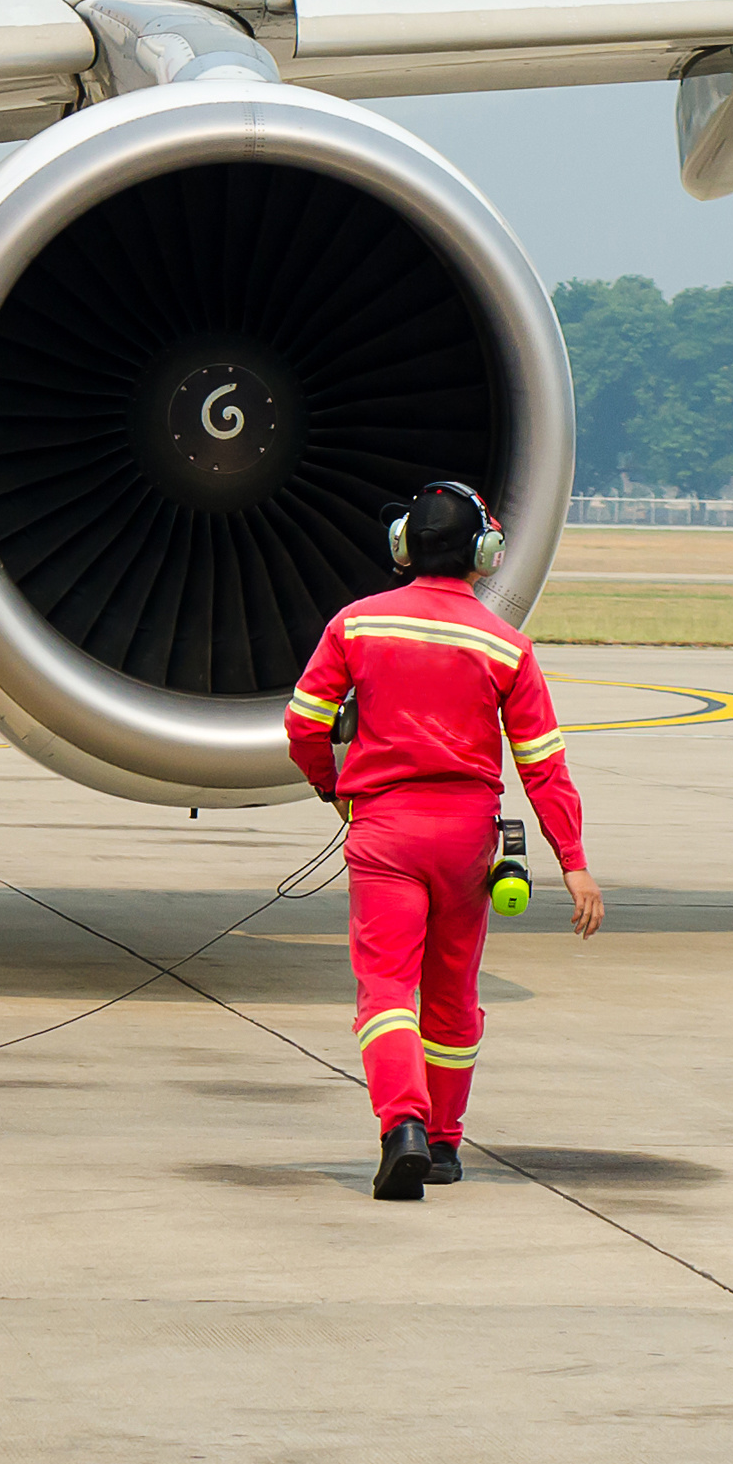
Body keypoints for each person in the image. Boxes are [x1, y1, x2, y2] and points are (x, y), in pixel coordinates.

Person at [282, 479, 604, 1201]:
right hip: (466, 838)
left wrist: (329, 785)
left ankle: (403, 1128)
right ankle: (448, 1144)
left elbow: (305, 723)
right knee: (453, 994)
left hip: (384, 833)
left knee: (385, 990)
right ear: (484, 552)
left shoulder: (357, 625)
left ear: (403, 546)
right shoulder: (507, 647)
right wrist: (574, 864)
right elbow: (543, 767)